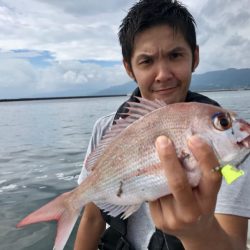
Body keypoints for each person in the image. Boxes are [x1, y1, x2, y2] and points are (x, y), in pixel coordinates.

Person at [74, 0, 250, 249]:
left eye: (175, 55)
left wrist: (199, 233)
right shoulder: (106, 130)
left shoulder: (229, 151)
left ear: (195, 57)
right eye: (146, 61)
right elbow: (93, 217)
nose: (163, 74)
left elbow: (234, 240)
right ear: (129, 68)